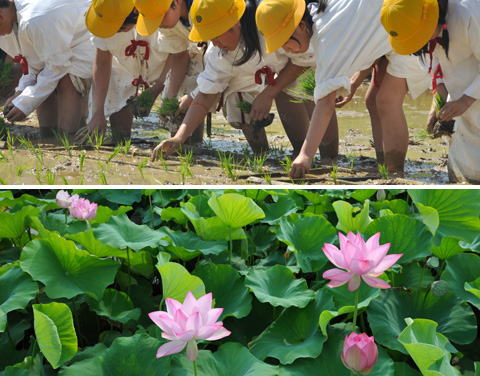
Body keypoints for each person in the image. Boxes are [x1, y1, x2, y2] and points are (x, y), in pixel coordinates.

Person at [258, 0, 430, 178]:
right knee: (373, 100)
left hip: (412, 22)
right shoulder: (318, 13)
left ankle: (395, 172)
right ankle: (383, 165)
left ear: (301, 26)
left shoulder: (328, 40)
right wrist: (354, 84)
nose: (286, 49)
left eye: (285, 41)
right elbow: (365, 38)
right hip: (392, 25)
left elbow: (326, 103)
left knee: (386, 100)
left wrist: (305, 155)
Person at [151, 0, 323, 161]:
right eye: (210, 38)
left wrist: (269, 93)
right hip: (258, 73)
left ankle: (313, 154)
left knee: (292, 91)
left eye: (216, 36)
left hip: (303, 62)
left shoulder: (268, 24)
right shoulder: (218, 54)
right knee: (236, 101)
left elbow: (302, 61)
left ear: (234, 24)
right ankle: (262, 155)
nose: (215, 44)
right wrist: (179, 137)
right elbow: (206, 96)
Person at [381, 0, 480, 184]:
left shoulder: (469, 13)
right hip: (463, 102)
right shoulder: (427, 22)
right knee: (461, 172)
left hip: (472, 94)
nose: (422, 41)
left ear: (432, 19)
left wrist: (466, 100)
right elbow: (435, 57)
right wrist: (440, 95)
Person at [84, 0, 181, 143]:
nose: (115, 32)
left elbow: (180, 53)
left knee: (189, 77)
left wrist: (157, 88)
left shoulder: (159, 9)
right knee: (115, 77)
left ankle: (183, 140)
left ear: (134, 14)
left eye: (119, 28)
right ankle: (121, 138)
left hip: (166, 62)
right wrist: (97, 113)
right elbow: (102, 62)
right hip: (128, 64)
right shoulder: (105, 12)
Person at [0, 0, 94, 139]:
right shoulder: (19, 17)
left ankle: (68, 140)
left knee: (68, 80)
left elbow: (57, 67)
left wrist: (25, 104)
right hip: (60, 40)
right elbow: (33, 64)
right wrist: (20, 92)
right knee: (41, 79)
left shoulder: (33, 20)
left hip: (86, 35)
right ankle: (47, 136)